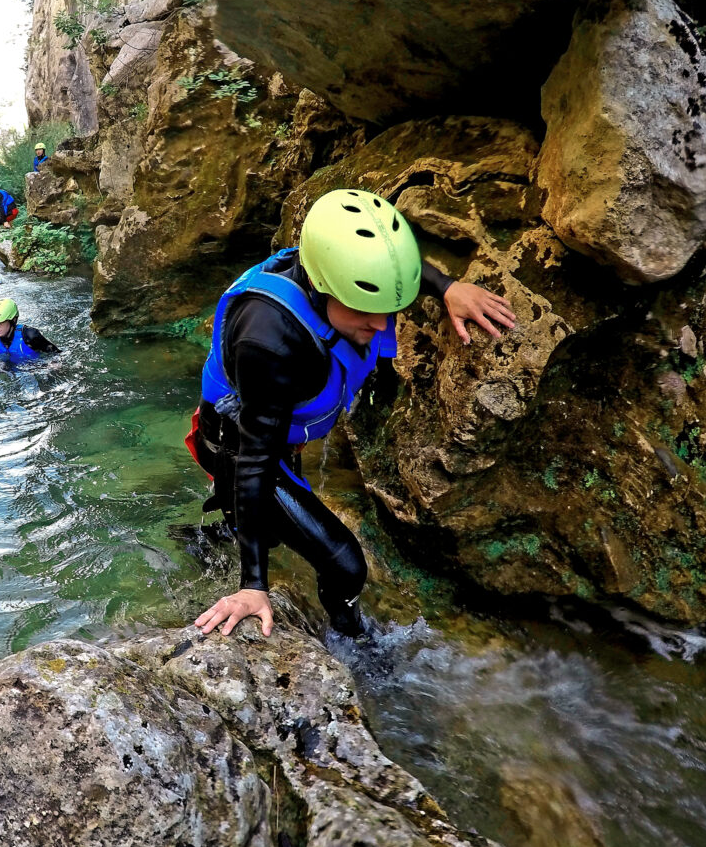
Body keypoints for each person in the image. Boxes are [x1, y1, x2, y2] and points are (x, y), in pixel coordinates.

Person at [190, 189, 516, 640]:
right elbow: (255, 461)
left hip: (277, 433)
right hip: (238, 443)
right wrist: (253, 587)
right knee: (344, 564)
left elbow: (390, 275)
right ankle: (349, 637)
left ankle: (222, 534)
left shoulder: (342, 275)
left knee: (272, 529)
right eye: (366, 310)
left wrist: (447, 288)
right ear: (323, 286)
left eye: (389, 310)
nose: (381, 326)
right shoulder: (269, 340)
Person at [0, 295, 59, 362]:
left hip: (33, 369)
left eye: (0, 322)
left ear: (13, 320)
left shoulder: (30, 336)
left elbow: (56, 353)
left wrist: (54, 363)